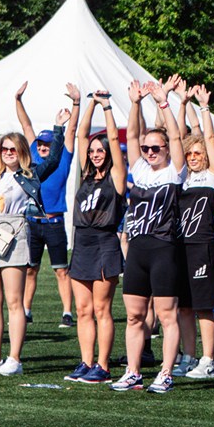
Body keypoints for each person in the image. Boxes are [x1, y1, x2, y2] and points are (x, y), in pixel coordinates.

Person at [0, 85, 65, 376]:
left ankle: (14, 359)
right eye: (4, 149)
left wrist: (58, 128)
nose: (8, 153)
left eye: (13, 149)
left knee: (14, 301)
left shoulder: (30, 173)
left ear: (21, 152)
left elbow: (54, 159)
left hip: (16, 231)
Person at [115, 80, 189, 393]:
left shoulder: (175, 171)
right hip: (138, 248)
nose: (148, 152)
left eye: (154, 148)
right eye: (146, 149)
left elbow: (176, 135)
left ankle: (166, 372)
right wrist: (133, 104)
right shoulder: (140, 169)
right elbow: (131, 135)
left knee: (166, 314)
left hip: (164, 248)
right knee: (134, 315)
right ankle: (133, 371)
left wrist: (163, 104)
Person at [62, 92, 127, 384]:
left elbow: (113, 139)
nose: (95, 154)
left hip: (104, 243)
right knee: (83, 309)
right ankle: (86, 362)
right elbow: (81, 136)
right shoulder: (86, 175)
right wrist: (87, 102)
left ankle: (103, 365)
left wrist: (107, 107)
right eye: (93, 151)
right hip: (82, 244)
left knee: (102, 309)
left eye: (100, 151)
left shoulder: (116, 176)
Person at [173, 88, 214, 380]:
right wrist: (180, 103)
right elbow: (178, 137)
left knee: (204, 307)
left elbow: (208, 138)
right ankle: (188, 357)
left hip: (202, 247)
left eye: (197, 154)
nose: (193, 157)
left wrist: (204, 108)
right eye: (190, 154)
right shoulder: (183, 177)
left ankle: (208, 360)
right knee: (183, 307)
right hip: (180, 248)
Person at [24, 111, 76, 328]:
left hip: (54, 223)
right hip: (32, 223)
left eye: (47, 144)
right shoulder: (32, 158)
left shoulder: (62, 157)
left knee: (61, 270)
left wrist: (75, 104)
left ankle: (67, 313)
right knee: (29, 269)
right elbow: (26, 126)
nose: (43, 147)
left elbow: (72, 131)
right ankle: (26, 310)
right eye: (40, 144)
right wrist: (18, 100)